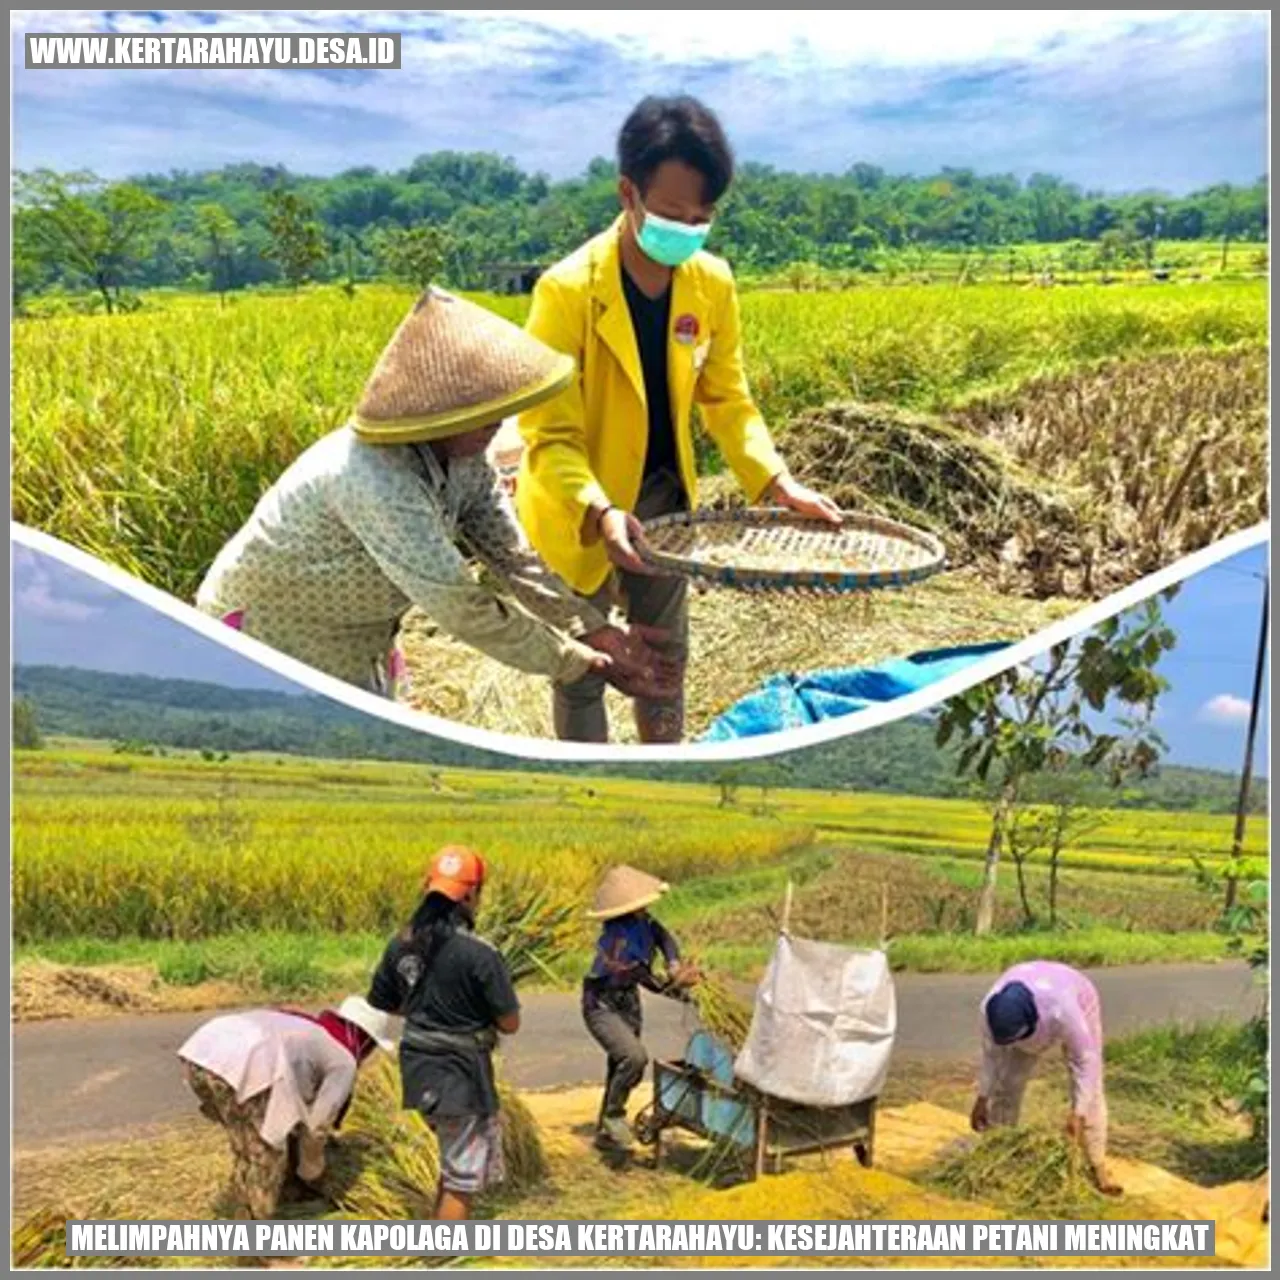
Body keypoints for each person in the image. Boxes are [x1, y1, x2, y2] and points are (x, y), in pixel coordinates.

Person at [515, 95, 841, 744]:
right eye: (671, 214)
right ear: (628, 193)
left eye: (704, 217)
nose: (688, 230)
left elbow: (728, 398)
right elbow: (547, 433)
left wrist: (776, 481)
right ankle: (592, 787)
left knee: (664, 660)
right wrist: (600, 509)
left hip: (665, 501)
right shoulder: (567, 291)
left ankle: (662, 763)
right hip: (581, 507)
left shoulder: (711, 282)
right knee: (584, 665)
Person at [197, 286, 675, 708]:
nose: (498, 427)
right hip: (272, 638)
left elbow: (512, 557)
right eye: (487, 415)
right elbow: (461, 605)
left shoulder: (466, 458)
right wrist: (580, 662)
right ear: (441, 414)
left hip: (357, 640)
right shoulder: (373, 478)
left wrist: (592, 627)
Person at [367, 846, 519, 1221]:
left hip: (417, 1066)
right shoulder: (480, 953)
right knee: (463, 1177)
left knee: (453, 1159)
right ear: (470, 894)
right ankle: (443, 1255)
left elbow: (384, 1000)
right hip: (459, 1074)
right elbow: (509, 1023)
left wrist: (424, 1010)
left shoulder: (400, 943)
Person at [177, 995, 397, 1220]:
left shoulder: (308, 1028)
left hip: (200, 1054)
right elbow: (318, 1126)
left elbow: (295, 1101)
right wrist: (311, 1169)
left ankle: (242, 1211)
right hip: (246, 1061)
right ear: (366, 1041)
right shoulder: (343, 1060)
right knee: (268, 1155)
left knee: (248, 1147)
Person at [970, 960, 1122, 1195]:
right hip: (1031, 1008)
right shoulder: (989, 1010)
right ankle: (1001, 1150)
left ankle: (1097, 1164)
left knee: (1092, 1090)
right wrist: (982, 1098)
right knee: (1007, 1082)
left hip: (1075, 996)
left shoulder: (1063, 1012)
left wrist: (1078, 1113)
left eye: (1013, 1039)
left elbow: (1085, 1062)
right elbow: (992, 1057)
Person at [581, 864, 700, 1150]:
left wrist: (673, 963)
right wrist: (677, 989)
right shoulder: (616, 939)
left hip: (628, 1003)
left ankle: (605, 1134)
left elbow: (664, 938)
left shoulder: (644, 922)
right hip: (601, 1005)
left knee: (618, 1065)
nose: (647, 905)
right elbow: (644, 977)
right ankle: (613, 1115)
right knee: (633, 1058)